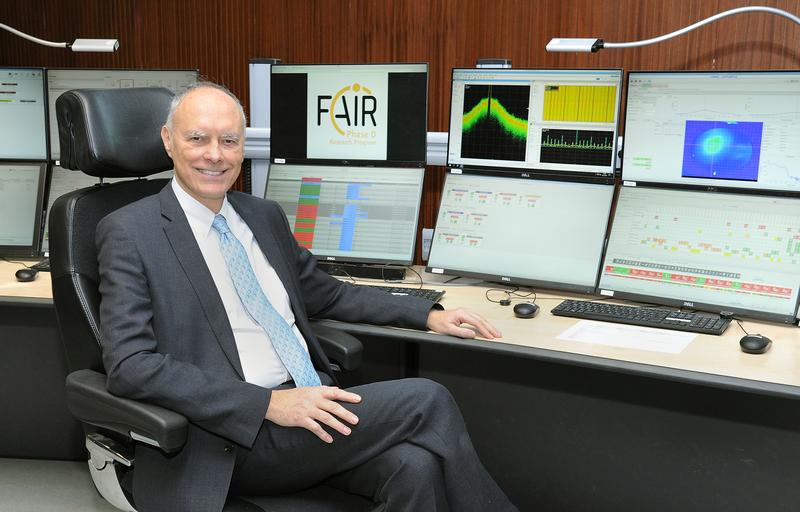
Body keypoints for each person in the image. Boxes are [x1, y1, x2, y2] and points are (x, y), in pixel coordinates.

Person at [96, 81, 517, 512]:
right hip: (232, 435)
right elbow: (131, 366)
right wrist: (267, 404)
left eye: (229, 141)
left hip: (308, 405)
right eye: (198, 139)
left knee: (415, 466)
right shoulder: (131, 232)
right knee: (429, 399)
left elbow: (328, 295)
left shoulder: (262, 216)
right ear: (169, 140)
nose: (215, 155)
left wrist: (425, 314)